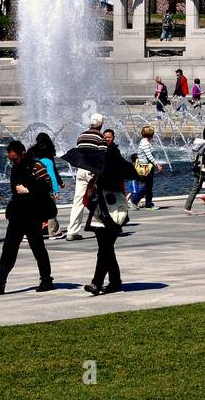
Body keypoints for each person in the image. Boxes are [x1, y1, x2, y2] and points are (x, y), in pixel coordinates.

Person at [0, 141, 55, 294]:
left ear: (22, 153)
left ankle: (46, 279)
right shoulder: (15, 168)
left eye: (15, 158)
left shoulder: (36, 166)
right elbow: (15, 192)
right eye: (11, 159)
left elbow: (47, 185)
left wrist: (28, 189)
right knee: (8, 249)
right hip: (18, 214)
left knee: (38, 248)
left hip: (33, 214)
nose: (13, 161)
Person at [84, 139, 130, 295]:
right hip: (100, 215)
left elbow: (121, 189)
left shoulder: (117, 171)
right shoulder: (98, 172)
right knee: (106, 250)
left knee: (104, 250)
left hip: (112, 214)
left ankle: (96, 283)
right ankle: (115, 281)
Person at [65, 114, 106, 241]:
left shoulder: (82, 135)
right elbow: (103, 156)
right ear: (101, 124)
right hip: (93, 171)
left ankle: (72, 231)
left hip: (81, 169)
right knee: (101, 197)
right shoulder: (100, 137)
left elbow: (79, 152)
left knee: (78, 200)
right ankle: (102, 225)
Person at [30, 132, 64, 238]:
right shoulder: (48, 159)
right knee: (50, 208)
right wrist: (56, 190)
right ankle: (54, 232)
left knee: (37, 208)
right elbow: (52, 175)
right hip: (46, 187)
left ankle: (33, 230)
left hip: (34, 186)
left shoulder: (33, 158)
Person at [136, 125, 163, 209]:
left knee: (148, 185)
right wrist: (157, 164)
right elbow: (149, 155)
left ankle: (148, 203)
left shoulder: (143, 142)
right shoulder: (145, 143)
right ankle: (134, 200)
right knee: (148, 186)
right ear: (151, 134)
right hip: (146, 167)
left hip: (146, 166)